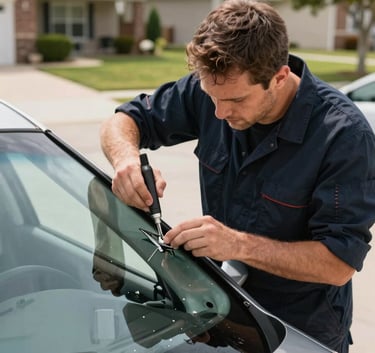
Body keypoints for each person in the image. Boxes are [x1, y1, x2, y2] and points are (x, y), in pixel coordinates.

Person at [100, 1, 375, 352]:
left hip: (297, 333)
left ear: (279, 76)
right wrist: (125, 159)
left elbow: (338, 263)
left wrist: (236, 245)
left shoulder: (343, 136)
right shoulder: (217, 89)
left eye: (235, 100)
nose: (218, 111)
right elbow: (124, 120)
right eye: (211, 95)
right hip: (219, 317)